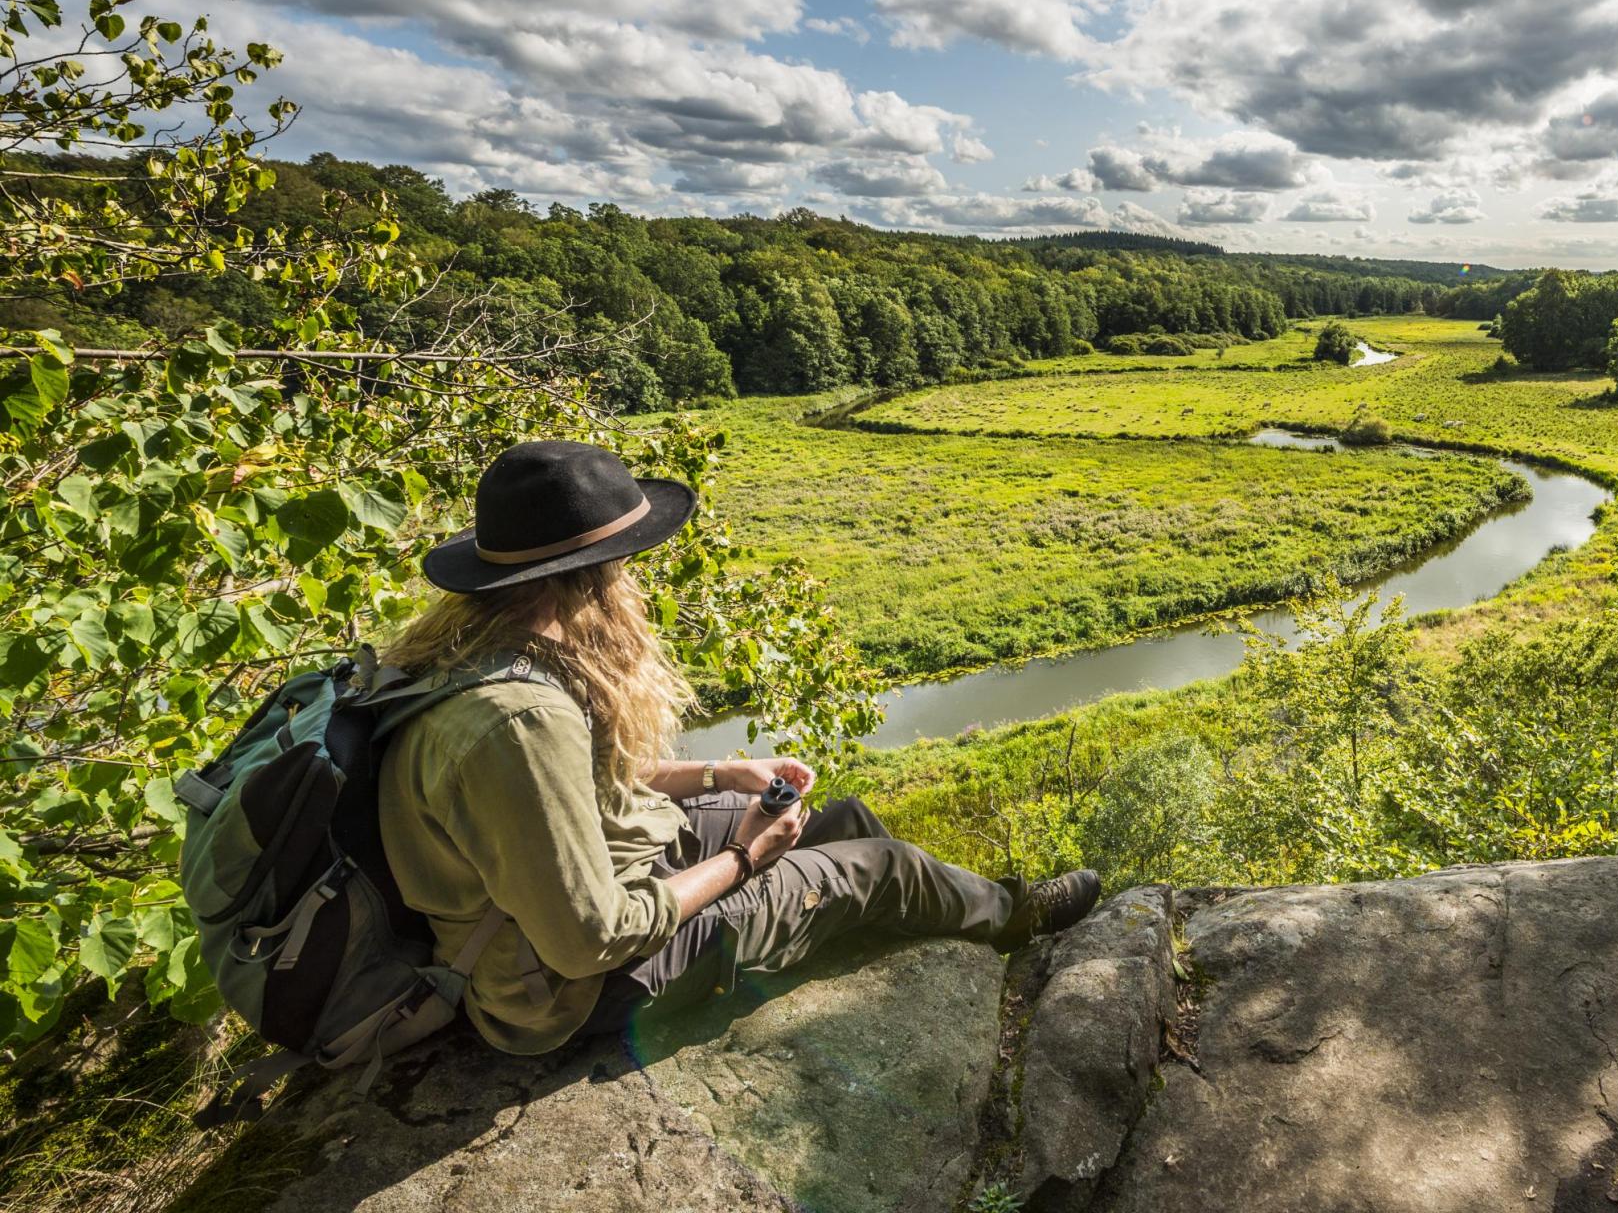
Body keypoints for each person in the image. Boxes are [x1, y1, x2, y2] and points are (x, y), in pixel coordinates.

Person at [376, 439, 1101, 1053]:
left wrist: (720, 772)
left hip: (592, 889)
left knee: (840, 821)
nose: (631, 580)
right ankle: (1014, 919)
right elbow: (588, 941)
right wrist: (745, 857)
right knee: (877, 865)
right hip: (567, 992)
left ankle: (921, 917)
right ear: (583, 583)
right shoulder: (516, 721)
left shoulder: (481, 655)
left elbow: (583, 786)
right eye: (623, 564)